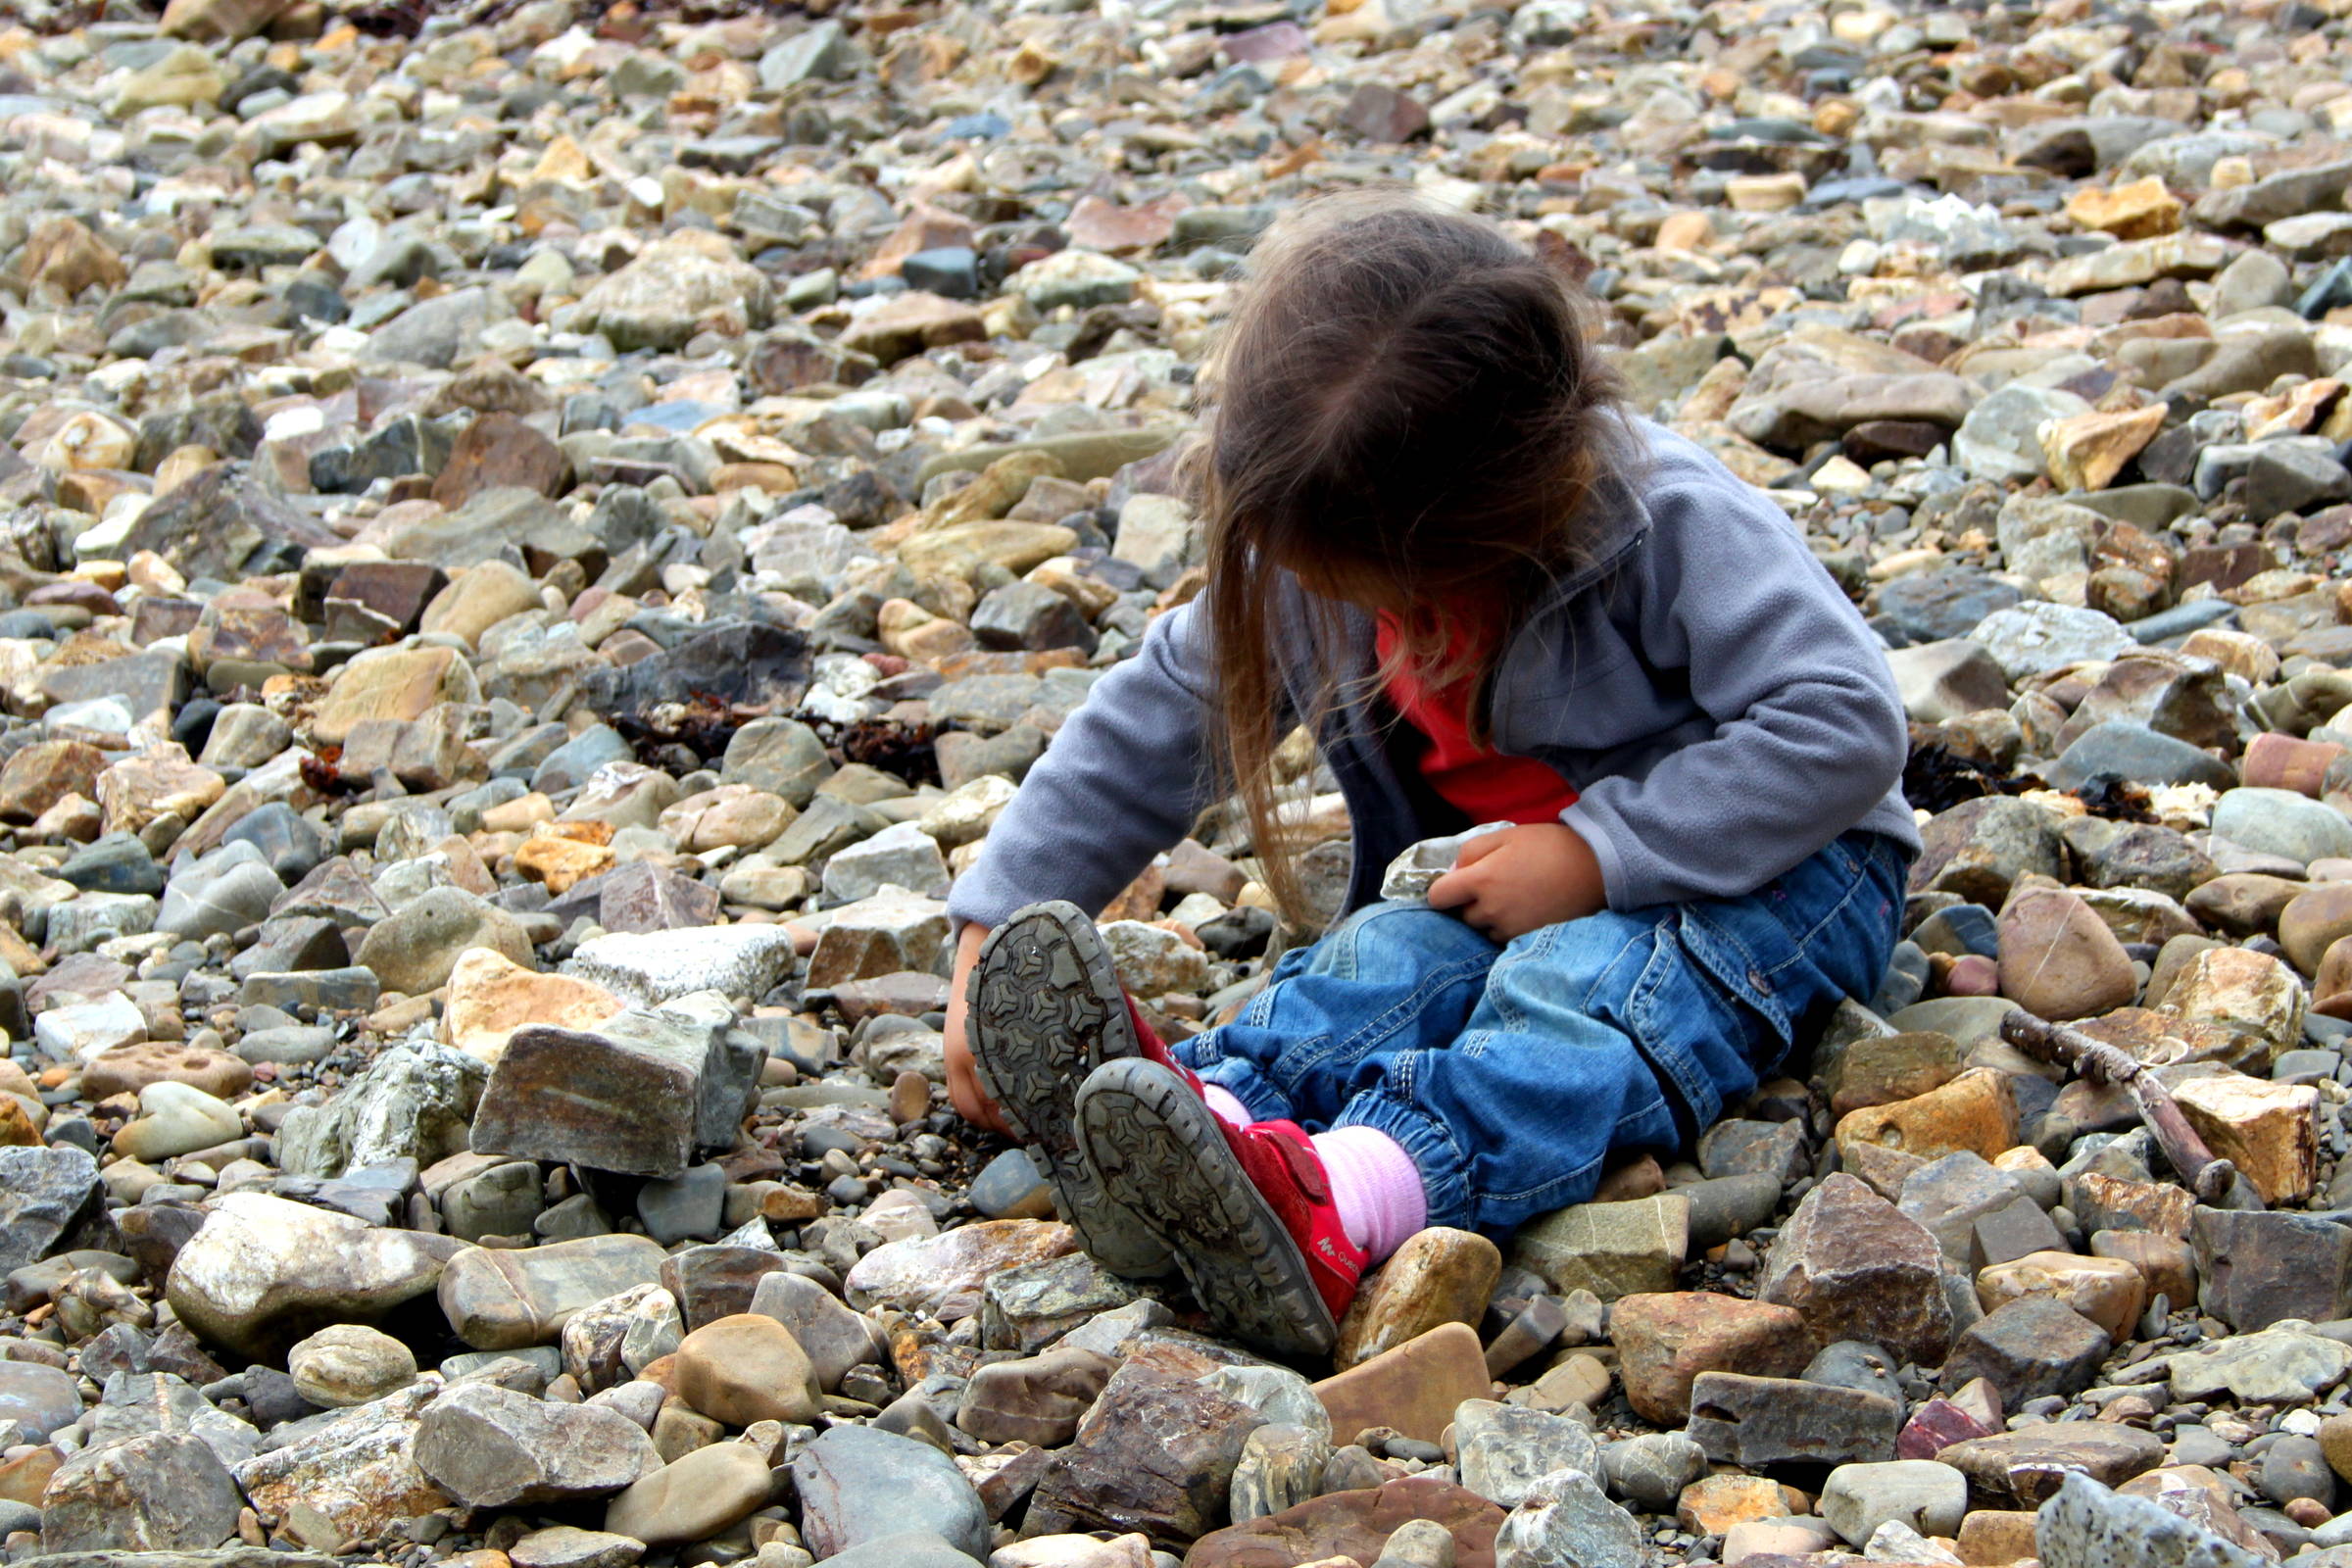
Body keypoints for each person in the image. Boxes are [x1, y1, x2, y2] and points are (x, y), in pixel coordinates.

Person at [938, 188, 1919, 1360]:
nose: (1375, 624)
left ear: (1517, 513)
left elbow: (1844, 720)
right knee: (1380, 961)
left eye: (1411, 604)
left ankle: (1349, 1200)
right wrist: (994, 922)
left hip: (1781, 875)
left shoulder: (1670, 522)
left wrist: (1597, 853)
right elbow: (1154, 718)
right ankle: (1200, 1119)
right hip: (1506, 875)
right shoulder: (1321, 518)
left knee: (1571, 994)